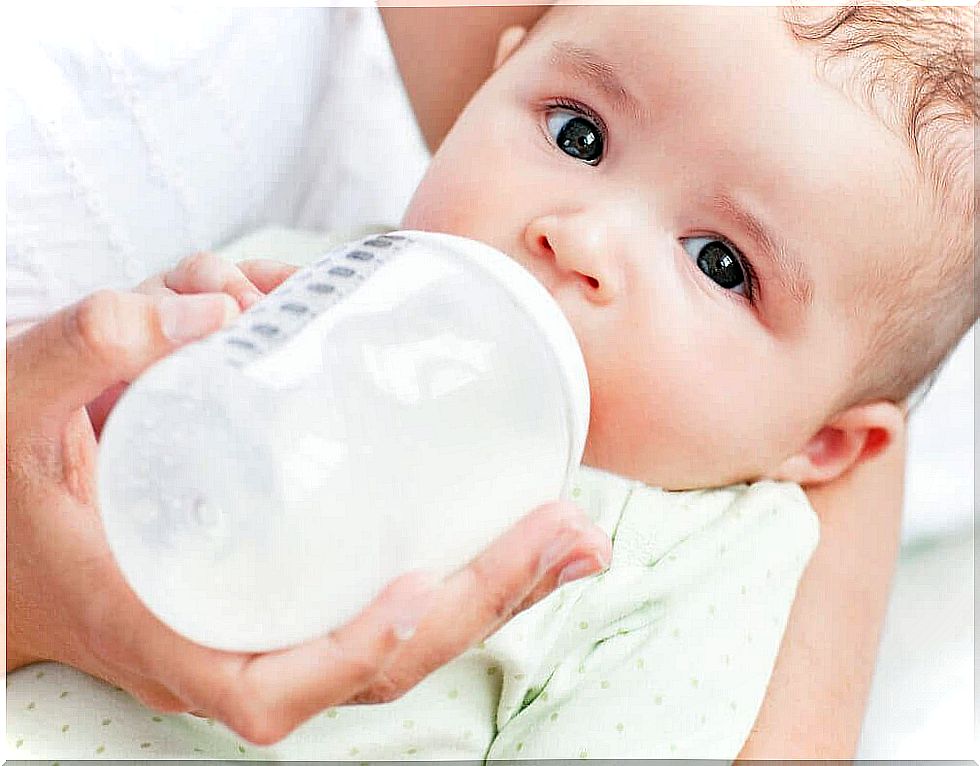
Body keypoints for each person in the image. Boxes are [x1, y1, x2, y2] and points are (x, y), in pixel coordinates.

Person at [8, 2, 967, 758]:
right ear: (494, 75)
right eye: (578, 135)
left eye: (721, 264)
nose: (580, 236)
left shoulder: (693, 561)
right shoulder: (294, 287)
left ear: (826, 444)